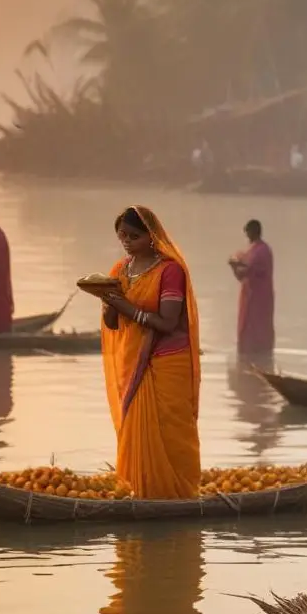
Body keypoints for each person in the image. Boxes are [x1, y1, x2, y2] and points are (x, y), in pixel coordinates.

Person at [97, 206, 201, 499]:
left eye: (134, 236)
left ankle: (179, 492)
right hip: (133, 362)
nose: (127, 242)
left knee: (172, 431)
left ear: (151, 236)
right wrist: (107, 302)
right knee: (135, 427)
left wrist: (126, 306)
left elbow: (168, 322)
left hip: (168, 360)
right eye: (122, 237)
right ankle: (138, 489)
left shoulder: (170, 271)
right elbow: (112, 323)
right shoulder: (120, 270)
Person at [230, 220, 275, 357]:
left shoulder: (260, 251)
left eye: (248, 232)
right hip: (251, 295)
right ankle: (252, 360)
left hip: (258, 297)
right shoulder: (255, 249)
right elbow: (243, 274)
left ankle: (259, 358)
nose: (247, 236)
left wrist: (234, 265)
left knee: (256, 327)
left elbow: (246, 271)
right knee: (251, 327)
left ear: (254, 232)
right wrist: (237, 265)